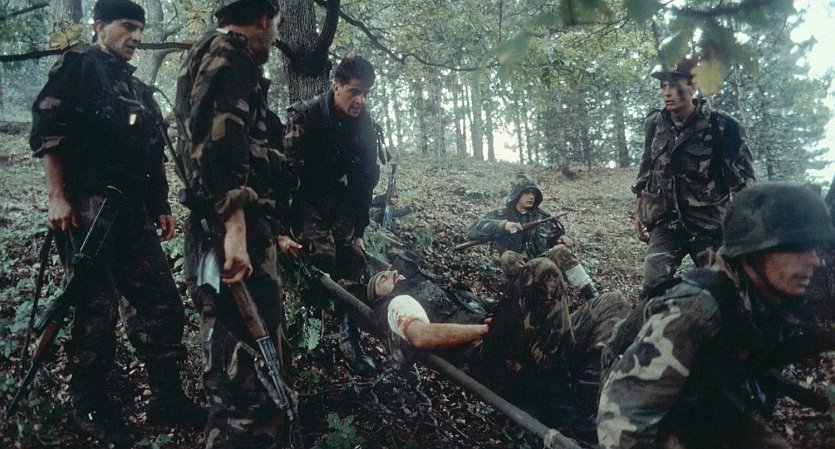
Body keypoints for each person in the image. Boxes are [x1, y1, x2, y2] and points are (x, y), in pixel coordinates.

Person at [29, 0, 204, 446]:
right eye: (127, 27)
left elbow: (152, 149)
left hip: (131, 210)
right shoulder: (79, 66)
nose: (137, 37)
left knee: (160, 301)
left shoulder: (136, 86)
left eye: (140, 29)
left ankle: (166, 396)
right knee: (95, 309)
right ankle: (90, 406)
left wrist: (160, 203)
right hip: (87, 206)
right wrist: (57, 197)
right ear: (100, 25)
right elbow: (49, 130)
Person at [598, 183, 835, 449]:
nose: (814, 260)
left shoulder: (771, 296)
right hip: (640, 406)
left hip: (708, 396)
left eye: (814, 248)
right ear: (751, 253)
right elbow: (620, 420)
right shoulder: (696, 309)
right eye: (796, 248)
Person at [175, 0, 299, 447]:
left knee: (240, 350)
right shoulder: (230, 55)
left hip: (228, 225)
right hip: (230, 231)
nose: (274, 35)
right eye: (276, 25)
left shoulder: (208, 52)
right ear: (264, 19)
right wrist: (236, 230)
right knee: (245, 363)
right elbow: (219, 146)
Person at [367, 249, 631, 439]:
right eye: (383, 278)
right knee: (541, 270)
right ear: (379, 294)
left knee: (613, 302)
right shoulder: (397, 303)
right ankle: (573, 410)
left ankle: (582, 403)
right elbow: (421, 336)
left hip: (518, 345)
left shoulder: (431, 290)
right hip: (492, 362)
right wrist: (485, 329)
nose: (392, 273)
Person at [284, 55, 384, 374]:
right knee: (322, 255)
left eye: (366, 93)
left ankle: (349, 336)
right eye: (354, 91)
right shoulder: (305, 116)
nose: (360, 100)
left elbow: (365, 179)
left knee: (353, 257)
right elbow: (284, 178)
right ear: (336, 86)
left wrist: (360, 229)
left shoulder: (364, 123)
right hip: (302, 198)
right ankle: (312, 331)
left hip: (338, 198)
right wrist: (280, 230)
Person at [632, 58, 755, 297]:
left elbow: (743, 183)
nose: (667, 92)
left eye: (674, 85)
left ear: (693, 86)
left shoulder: (722, 126)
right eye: (663, 86)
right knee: (651, 289)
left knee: (729, 291)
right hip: (666, 223)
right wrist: (640, 208)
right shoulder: (655, 124)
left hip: (709, 226)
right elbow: (647, 168)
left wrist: (741, 228)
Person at [467, 173, 599, 301]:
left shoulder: (542, 217)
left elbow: (558, 234)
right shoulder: (500, 215)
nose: (531, 197)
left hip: (544, 266)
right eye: (527, 193)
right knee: (508, 256)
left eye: (534, 194)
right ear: (517, 194)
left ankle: (591, 295)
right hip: (520, 272)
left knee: (561, 250)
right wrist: (503, 225)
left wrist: (562, 238)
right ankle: (526, 297)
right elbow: (472, 229)